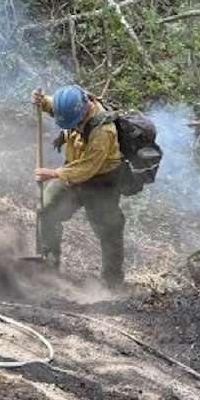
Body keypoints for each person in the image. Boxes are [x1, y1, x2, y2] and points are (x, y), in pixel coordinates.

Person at [30, 84, 127, 287]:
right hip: (72, 172)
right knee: (47, 209)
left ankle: (112, 283)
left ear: (85, 109)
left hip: (101, 181)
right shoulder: (72, 105)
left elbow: (88, 168)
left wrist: (53, 173)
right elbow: (55, 107)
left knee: (109, 229)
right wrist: (42, 101)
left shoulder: (104, 132)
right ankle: (49, 265)